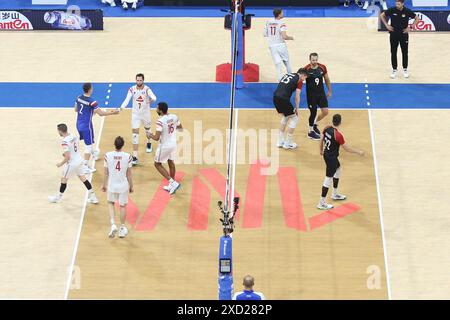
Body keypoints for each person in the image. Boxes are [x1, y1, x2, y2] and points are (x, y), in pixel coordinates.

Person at [317, 114, 364, 210]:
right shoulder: (338, 135)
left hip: (327, 154)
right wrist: (358, 152)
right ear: (340, 122)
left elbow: (321, 139)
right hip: (331, 158)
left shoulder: (327, 128)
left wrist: (321, 150)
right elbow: (347, 149)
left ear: (332, 121)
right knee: (328, 179)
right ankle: (321, 203)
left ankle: (334, 194)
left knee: (338, 169)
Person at [48, 124, 99, 204]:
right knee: (83, 178)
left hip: (72, 163)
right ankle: (93, 196)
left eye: (58, 131)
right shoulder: (73, 136)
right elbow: (74, 149)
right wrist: (66, 154)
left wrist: (60, 164)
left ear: (60, 131)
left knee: (64, 179)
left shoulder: (64, 142)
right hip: (79, 160)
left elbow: (68, 157)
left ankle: (58, 197)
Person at [75, 83, 119, 173]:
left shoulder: (78, 97)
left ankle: (95, 153)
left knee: (89, 143)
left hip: (79, 124)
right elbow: (101, 113)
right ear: (90, 89)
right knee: (88, 146)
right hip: (87, 126)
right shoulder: (92, 101)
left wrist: (90, 111)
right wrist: (113, 113)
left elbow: (76, 109)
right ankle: (85, 166)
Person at [120, 73, 157, 166]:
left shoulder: (147, 89)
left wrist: (150, 100)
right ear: (135, 80)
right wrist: (121, 107)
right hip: (135, 115)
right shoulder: (132, 89)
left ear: (143, 80)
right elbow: (127, 100)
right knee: (135, 135)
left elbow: (154, 97)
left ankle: (149, 142)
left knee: (148, 131)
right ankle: (135, 157)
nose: (139, 82)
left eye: (140, 80)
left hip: (146, 114)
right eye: (137, 80)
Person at [146, 102, 182, 195]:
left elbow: (156, 137)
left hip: (164, 145)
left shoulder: (160, 121)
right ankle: (172, 186)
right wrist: (171, 133)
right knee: (171, 163)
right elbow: (180, 128)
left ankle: (173, 182)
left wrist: (149, 135)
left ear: (161, 111)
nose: (156, 109)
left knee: (157, 164)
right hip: (173, 143)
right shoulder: (174, 117)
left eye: (157, 108)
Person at [102, 136, 133, 239]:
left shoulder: (107, 155)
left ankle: (113, 224)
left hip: (112, 184)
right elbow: (129, 174)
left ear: (114, 144)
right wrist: (131, 186)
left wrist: (104, 185)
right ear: (122, 145)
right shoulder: (128, 156)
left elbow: (106, 173)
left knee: (111, 203)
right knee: (123, 206)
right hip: (123, 185)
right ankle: (122, 228)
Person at [380, 0, 419, 79]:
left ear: (402, 4)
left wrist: (411, 27)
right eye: (396, 3)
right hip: (393, 34)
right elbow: (382, 15)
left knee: (405, 53)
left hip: (404, 35)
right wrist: (387, 25)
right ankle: (394, 70)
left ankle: (405, 70)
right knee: (393, 52)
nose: (397, 5)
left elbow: (417, 18)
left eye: (398, 4)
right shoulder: (392, 10)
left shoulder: (407, 11)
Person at [273, 68, 308, 150]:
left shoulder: (288, 74)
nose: (305, 79)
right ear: (302, 75)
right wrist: (297, 109)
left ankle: (280, 141)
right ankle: (288, 143)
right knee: (295, 117)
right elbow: (297, 96)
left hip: (275, 97)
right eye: (305, 77)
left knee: (286, 116)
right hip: (283, 99)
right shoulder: (299, 80)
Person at [303, 53, 332, 141]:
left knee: (325, 111)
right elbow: (300, 80)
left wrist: (330, 90)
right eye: (313, 60)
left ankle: (314, 123)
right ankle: (310, 132)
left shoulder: (322, 67)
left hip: (321, 94)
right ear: (310, 60)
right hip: (311, 96)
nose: (315, 62)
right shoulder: (306, 69)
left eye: (316, 60)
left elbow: (327, 79)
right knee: (313, 113)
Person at [264, 8, 294, 81]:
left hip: (272, 46)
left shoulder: (268, 21)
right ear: (279, 14)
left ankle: (280, 82)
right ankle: (292, 79)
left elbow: (265, 34)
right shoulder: (282, 23)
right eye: (282, 13)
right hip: (281, 45)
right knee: (286, 62)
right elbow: (284, 36)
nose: (283, 14)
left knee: (278, 64)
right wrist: (291, 38)